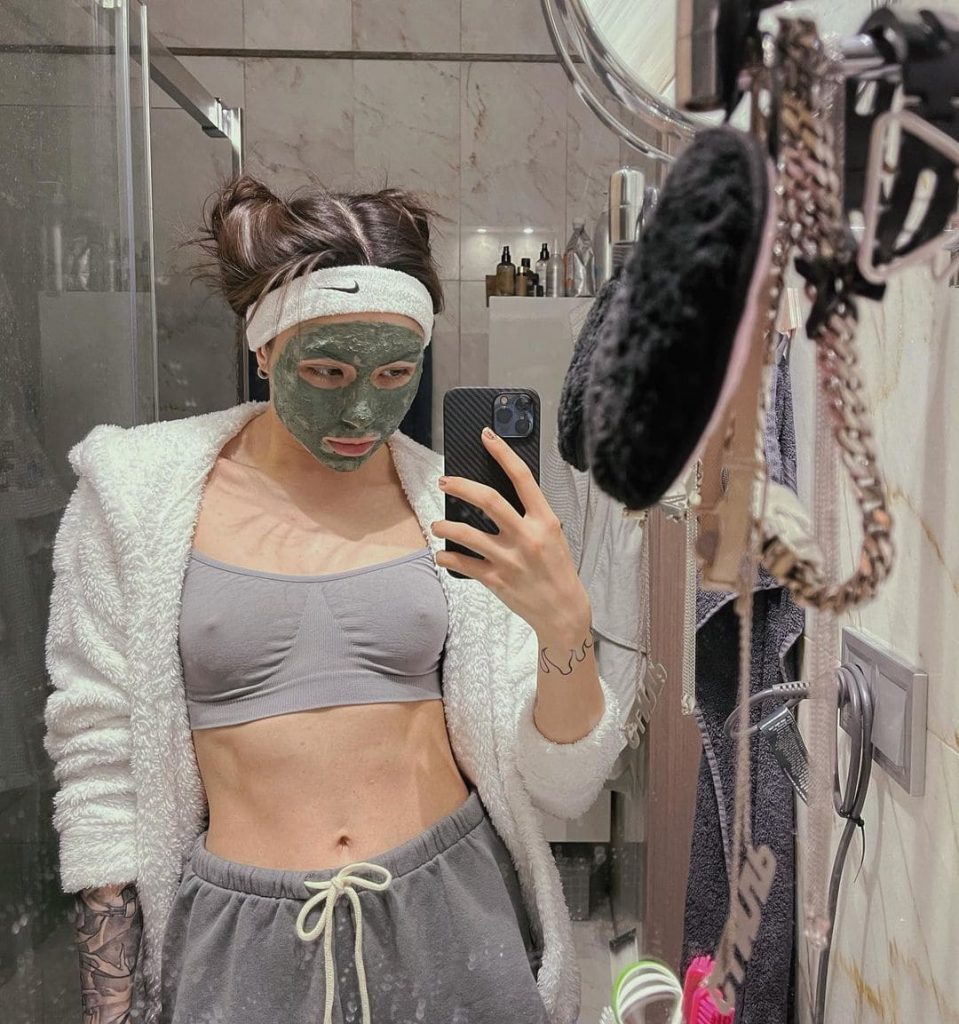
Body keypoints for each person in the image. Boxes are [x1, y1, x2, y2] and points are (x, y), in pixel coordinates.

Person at [42, 175, 625, 1024]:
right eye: (325, 369)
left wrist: (564, 629)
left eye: (395, 373)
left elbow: (563, 784)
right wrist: (112, 1001)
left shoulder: (452, 505)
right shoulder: (137, 496)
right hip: (245, 932)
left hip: (451, 908)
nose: (361, 410)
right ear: (263, 349)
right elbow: (97, 752)